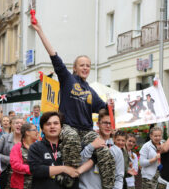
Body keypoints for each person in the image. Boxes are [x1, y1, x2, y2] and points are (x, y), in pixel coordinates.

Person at [31, 16, 115, 189]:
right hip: (69, 126)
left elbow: (105, 109)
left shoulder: (91, 91)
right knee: (72, 138)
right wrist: (40, 31)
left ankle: (109, 186)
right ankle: (68, 178)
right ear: (75, 68)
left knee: (105, 152)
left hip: (86, 130)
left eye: (88, 65)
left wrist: (112, 105)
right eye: (82, 65)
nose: (85, 68)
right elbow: (54, 55)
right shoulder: (68, 79)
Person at [28, 111, 79, 189]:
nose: (52, 126)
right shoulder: (35, 147)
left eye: (56, 123)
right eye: (48, 124)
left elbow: (92, 157)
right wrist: (64, 168)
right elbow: (36, 170)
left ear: (61, 127)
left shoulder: (69, 144)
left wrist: (92, 146)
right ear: (43, 129)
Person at [78, 108, 124, 189]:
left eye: (111, 123)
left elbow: (119, 177)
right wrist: (91, 146)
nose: (108, 126)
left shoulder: (116, 150)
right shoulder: (87, 141)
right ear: (98, 124)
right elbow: (78, 164)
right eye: (105, 123)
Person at [0, 116, 24, 189]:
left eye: (21, 124)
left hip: (22, 174)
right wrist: (10, 160)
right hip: (5, 172)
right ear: (12, 125)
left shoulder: (27, 139)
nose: (19, 125)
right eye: (16, 123)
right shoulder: (5, 137)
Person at [9, 123, 38, 189]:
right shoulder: (17, 147)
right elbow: (15, 166)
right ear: (27, 132)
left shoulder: (39, 146)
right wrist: (34, 169)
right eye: (35, 130)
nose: (37, 132)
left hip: (38, 183)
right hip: (21, 185)